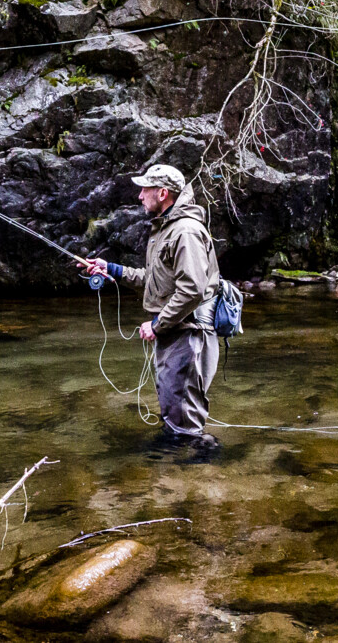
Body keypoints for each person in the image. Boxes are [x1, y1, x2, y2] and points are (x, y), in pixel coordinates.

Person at [77, 164, 224, 459]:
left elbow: (192, 290)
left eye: (145, 189)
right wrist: (111, 269)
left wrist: (156, 324)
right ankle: (181, 461)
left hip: (189, 334)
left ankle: (201, 468)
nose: (140, 195)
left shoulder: (185, 231)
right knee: (174, 405)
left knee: (183, 411)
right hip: (177, 332)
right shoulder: (165, 229)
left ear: (163, 193)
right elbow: (155, 280)